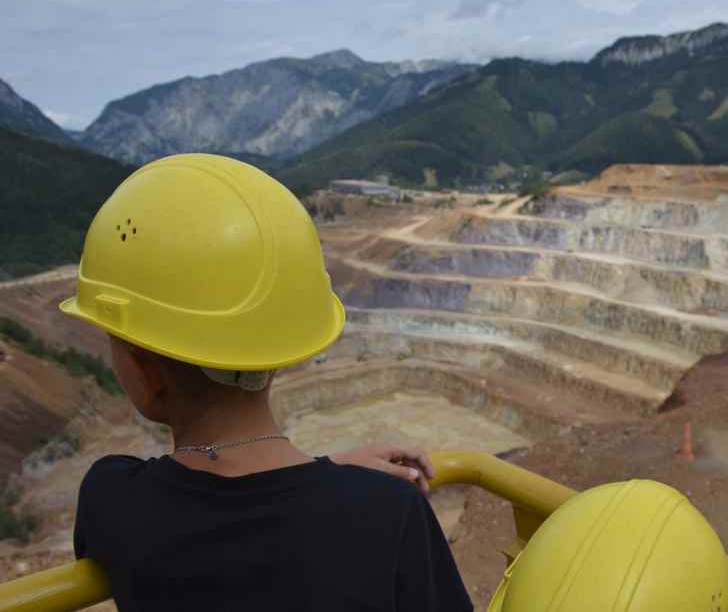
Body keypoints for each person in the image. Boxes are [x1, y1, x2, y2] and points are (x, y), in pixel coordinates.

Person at [61, 154, 472, 611]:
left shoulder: (116, 502)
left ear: (146, 372)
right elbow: (273, 503)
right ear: (280, 346)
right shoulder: (389, 513)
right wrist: (333, 474)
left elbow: (237, 508)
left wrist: (329, 467)